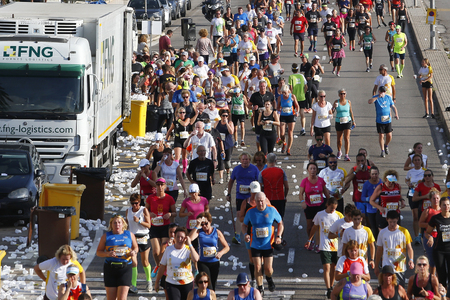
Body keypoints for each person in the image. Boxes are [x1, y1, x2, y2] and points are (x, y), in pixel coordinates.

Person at [242, 192, 284, 296]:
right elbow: (244, 225)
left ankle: (269, 278)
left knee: (268, 269)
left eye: (262, 201)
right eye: (258, 201)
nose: (260, 203)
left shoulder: (272, 210)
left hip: (268, 244)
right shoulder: (251, 211)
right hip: (255, 244)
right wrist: (245, 235)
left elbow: (280, 223)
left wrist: (278, 236)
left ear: (265, 200)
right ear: (255, 202)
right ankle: (260, 288)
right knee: (257, 266)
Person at [305, 198, 343, 299]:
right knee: (326, 267)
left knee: (334, 268)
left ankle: (331, 285)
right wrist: (309, 240)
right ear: (327, 205)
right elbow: (314, 227)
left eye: (334, 209)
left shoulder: (339, 215)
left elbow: (345, 227)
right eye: (331, 208)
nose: (332, 210)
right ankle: (329, 289)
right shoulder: (320, 214)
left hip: (336, 246)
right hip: (324, 245)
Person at [96, 214, 138, 300]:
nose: (117, 225)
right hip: (110, 268)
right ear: (111, 224)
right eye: (114, 223)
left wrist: (134, 252)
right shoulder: (106, 236)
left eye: (119, 222)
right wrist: (107, 254)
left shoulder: (129, 234)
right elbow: (98, 252)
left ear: (123, 224)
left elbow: (136, 247)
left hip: (125, 268)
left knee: (122, 298)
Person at [154, 227, 199, 300]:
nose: (180, 239)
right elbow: (162, 266)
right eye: (178, 237)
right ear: (174, 237)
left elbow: (196, 259)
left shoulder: (188, 249)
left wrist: (190, 244)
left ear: (185, 238)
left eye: (182, 237)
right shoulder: (169, 249)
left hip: (187, 282)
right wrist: (157, 282)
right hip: (172, 283)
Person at [189, 212, 230, 290]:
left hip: (214, 262)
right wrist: (197, 225)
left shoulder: (217, 232)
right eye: (202, 224)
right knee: (208, 285)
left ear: (210, 222)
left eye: (206, 223)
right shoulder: (199, 231)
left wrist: (221, 253)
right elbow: (190, 239)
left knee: (213, 284)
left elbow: (227, 247)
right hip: (203, 262)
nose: (204, 226)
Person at [146, 178, 176, 279]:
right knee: (155, 251)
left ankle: (163, 269)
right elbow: (145, 211)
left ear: (165, 186)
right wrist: (150, 214)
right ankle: (158, 266)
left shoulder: (169, 198)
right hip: (154, 227)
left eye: (161, 185)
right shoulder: (151, 198)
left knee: (163, 251)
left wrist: (170, 214)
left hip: (165, 227)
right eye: (158, 184)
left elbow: (175, 213)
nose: (159, 187)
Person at [375, 211, 414, 287]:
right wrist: (376, 266)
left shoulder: (404, 231)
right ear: (386, 219)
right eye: (390, 222)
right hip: (386, 266)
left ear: (398, 219)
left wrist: (411, 260)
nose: (392, 224)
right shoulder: (382, 232)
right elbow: (379, 250)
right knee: (386, 289)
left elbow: (409, 248)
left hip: (400, 267)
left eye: (394, 222)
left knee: (400, 290)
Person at [227, 152, 259, 244]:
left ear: (249, 160)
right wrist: (229, 193)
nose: (245, 161)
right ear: (240, 160)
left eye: (246, 159)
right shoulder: (237, 169)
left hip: (251, 196)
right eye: (243, 159)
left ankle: (252, 232)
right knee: (239, 215)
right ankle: (238, 235)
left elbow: (258, 182)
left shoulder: (254, 169)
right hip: (240, 196)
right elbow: (231, 181)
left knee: (253, 214)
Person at [300, 162, 331, 253]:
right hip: (309, 206)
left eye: (314, 169)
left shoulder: (321, 180)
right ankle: (311, 241)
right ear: (308, 170)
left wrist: (329, 204)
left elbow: (326, 193)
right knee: (310, 226)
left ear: (317, 170)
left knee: (319, 226)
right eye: (311, 169)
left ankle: (318, 244)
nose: (313, 170)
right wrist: (302, 202)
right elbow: (301, 194)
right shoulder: (304, 181)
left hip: (320, 206)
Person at [125, 193, 152, 293]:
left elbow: (149, 225)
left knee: (145, 261)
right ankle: (134, 285)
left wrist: (139, 220)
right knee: (134, 261)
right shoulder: (128, 211)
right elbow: (127, 225)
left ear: (139, 202)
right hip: (133, 238)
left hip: (143, 237)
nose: (134, 206)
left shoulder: (144, 210)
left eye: (136, 203)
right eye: (132, 203)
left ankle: (149, 281)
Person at [425, 197, 450, 295]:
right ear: (440, 206)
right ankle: (442, 295)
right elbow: (427, 232)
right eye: (444, 205)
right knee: (442, 274)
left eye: (448, 204)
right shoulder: (435, 218)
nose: (446, 207)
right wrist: (430, 237)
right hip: (439, 250)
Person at [367, 86, 399, 158]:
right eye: (381, 91)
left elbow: (393, 106)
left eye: (384, 91)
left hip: (388, 120)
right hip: (379, 120)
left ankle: (386, 145)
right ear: (379, 91)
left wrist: (396, 114)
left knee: (389, 135)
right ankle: (382, 151)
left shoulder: (388, 97)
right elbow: (369, 102)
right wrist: (377, 97)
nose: (383, 93)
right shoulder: (376, 97)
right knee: (381, 135)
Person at [258, 153, 289, 218]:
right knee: (280, 220)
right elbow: (287, 187)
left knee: (268, 220)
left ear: (266, 160)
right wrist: (284, 197)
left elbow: (260, 189)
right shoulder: (281, 171)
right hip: (280, 198)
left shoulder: (262, 173)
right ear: (275, 160)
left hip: (267, 199)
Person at [179, 183, 209, 248]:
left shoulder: (204, 200)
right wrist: (187, 214)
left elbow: (207, 208)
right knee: (192, 244)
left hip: (202, 224)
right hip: (191, 226)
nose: (193, 194)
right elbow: (180, 214)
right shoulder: (186, 202)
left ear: (198, 192)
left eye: (195, 192)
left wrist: (204, 215)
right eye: (191, 193)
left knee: (203, 242)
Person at [419, 189, 441, 276]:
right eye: (434, 198)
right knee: (432, 260)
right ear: (430, 200)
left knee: (440, 260)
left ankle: (440, 280)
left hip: (440, 238)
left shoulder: (443, 210)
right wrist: (431, 226)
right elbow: (420, 223)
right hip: (429, 236)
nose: (436, 200)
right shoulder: (428, 211)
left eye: (437, 198)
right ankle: (432, 277)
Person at [249, 80, 276, 151]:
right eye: (261, 86)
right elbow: (249, 105)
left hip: (268, 118)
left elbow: (274, 102)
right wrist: (253, 108)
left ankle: (266, 147)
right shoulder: (255, 95)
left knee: (267, 132)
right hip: (258, 118)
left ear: (266, 87)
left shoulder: (270, 94)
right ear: (259, 86)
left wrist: (275, 110)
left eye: (264, 86)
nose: (262, 88)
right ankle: (259, 150)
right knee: (258, 135)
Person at [405, 154, 426, 244]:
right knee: (415, 216)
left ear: (421, 161)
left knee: (423, 215)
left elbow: (430, 180)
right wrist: (408, 183)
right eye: (415, 160)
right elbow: (406, 179)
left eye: (418, 160)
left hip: (422, 195)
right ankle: (417, 236)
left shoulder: (425, 171)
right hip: (412, 194)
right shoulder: (410, 171)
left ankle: (423, 235)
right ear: (413, 162)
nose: (417, 162)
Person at [332, 88, 355, 161]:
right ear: (339, 95)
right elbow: (332, 112)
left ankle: (346, 155)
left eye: (344, 93)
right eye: (341, 94)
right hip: (339, 121)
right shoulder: (336, 102)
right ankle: (339, 152)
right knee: (339, 139)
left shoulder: (348, 102)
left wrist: (353, 121)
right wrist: (334, 107)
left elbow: (351, 112)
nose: (343, 95)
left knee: (347, 138)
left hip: (347, 121)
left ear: (346, 95)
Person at [361, 166, 382, 240]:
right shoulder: (366, 184)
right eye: (373, 174)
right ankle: (376, 243)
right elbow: (362, 197)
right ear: (370, 174)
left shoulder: (381, 183)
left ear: (378, 174)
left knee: (380, 227)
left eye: (376, 174)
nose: (374, 176)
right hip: (370, 209)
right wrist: (369, 198)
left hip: (380, 209)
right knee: (374, 228)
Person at [288, 62, 308, 136]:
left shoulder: (291, 77)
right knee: (302, 113)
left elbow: (291, 88)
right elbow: (306, 86)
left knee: (292, 112)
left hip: (294, 97)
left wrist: (291, 96)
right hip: (302, 97)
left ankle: (290, 128)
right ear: (298, 69)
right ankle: (303, 128)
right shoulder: (302, 76)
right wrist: (303, 93)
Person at [216, 109, 234, 183]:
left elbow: (231, 132)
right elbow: (214, 131)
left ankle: (228, 173)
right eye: (223, 116)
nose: (225, 117)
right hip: (219, 144)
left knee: (227, 161)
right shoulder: (217, 123)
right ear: (220, 116)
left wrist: (226, 124)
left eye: (226, 116)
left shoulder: (230, 123)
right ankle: (221, 178)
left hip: (228, 144)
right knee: (220, 160)